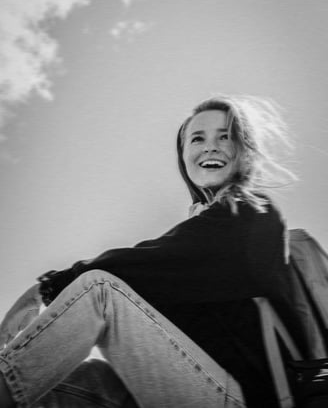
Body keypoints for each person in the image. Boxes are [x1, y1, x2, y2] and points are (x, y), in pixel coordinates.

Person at [0, 95, 306, 408]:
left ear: (245, 152)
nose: (210, 146)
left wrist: (47, 287)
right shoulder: (206, 227)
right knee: (83, 381)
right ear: (184, 156)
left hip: (246, 400)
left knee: (101, 291)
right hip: (201, 386)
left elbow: (150, 262)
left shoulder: (253, 213)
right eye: (197, 138)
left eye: (225, 136)